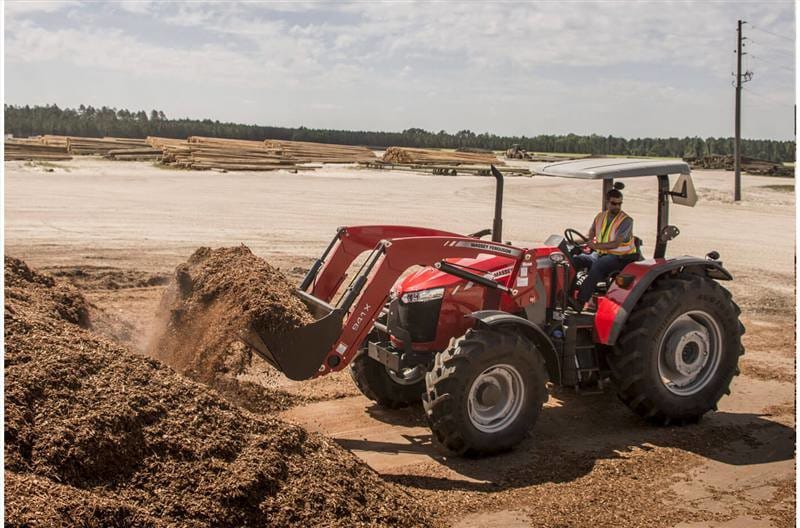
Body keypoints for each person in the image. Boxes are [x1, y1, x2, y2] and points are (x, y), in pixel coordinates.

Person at [572, 189, 638, 311]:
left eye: (619, 203)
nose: (617, 206)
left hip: (621, 257)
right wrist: (571, 242)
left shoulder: (626, 221)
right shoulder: (600, 217)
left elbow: (615, 243)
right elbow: (589, 236)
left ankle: (581, 301)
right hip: (602, 254)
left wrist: (595, 246)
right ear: (607, 202)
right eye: (614, 203)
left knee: (598, 265)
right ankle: (568, 294)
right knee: (575, 260)